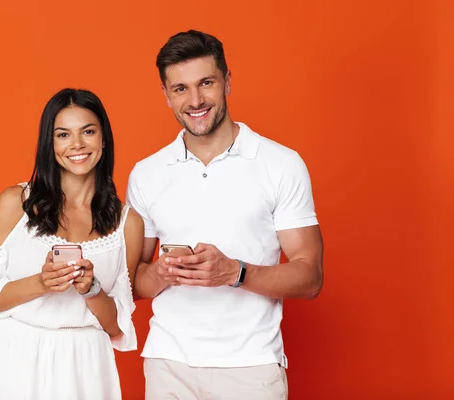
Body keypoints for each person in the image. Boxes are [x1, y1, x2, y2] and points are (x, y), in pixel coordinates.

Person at [127, 30, 324, 400]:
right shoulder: (147, 173)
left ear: (227, 82)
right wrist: (161, 272)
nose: (196, 100)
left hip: (251, 367)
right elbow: (133, 283)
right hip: (168, 364)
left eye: (206, 83)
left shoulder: (280, 164)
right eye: (180, 88)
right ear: (166, 95)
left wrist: (236, 273)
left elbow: (310, 277)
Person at [0, 88, 143, 399]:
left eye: (88, 131)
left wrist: (91, 288)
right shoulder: (16, 203)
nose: (77, 144)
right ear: (49, 143)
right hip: (15, 356)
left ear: (104, 139)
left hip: (86, 364)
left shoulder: (128, 224)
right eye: (63, 135)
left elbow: (117, 327)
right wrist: (41, 282)